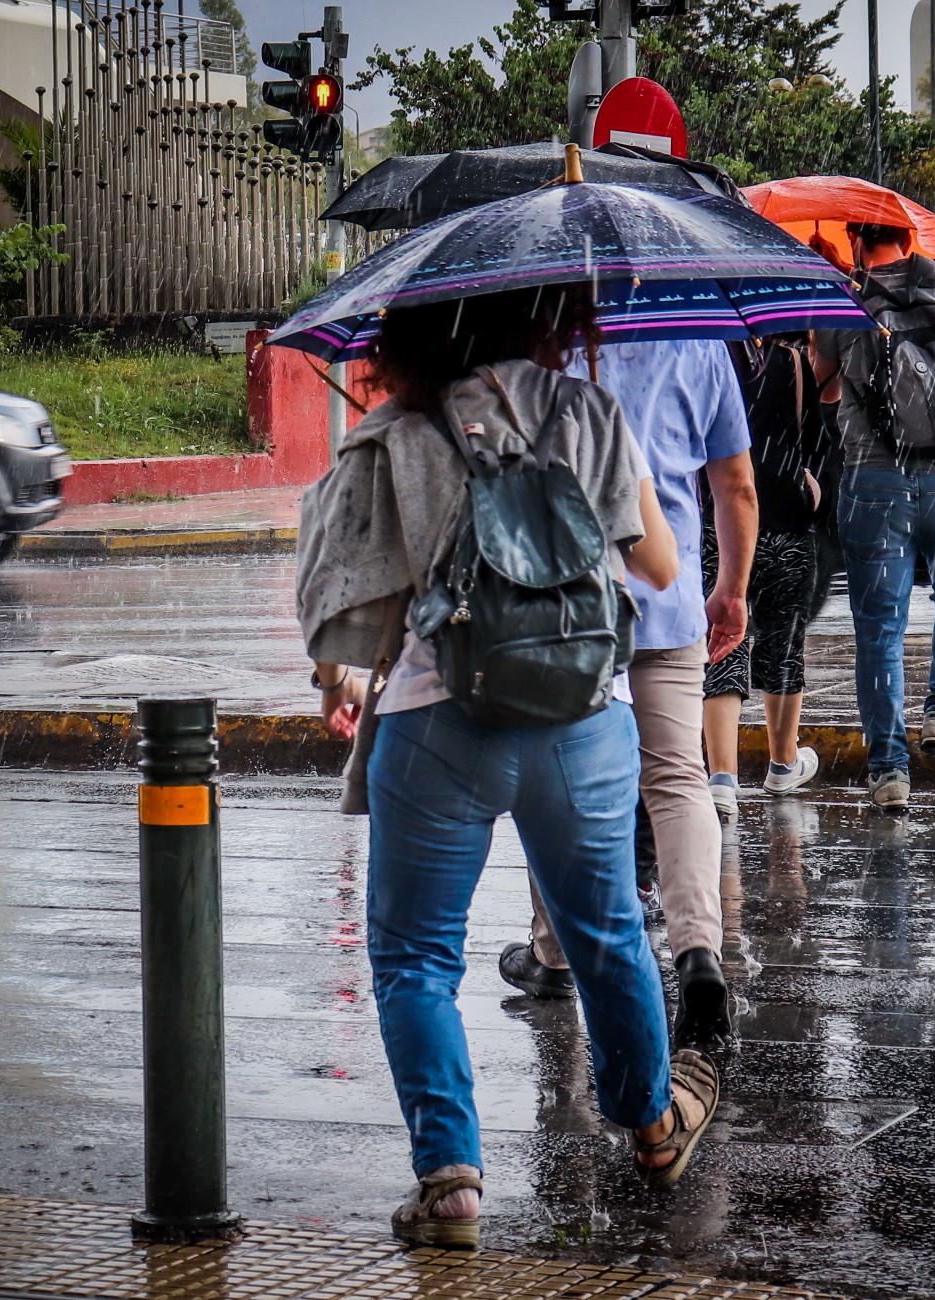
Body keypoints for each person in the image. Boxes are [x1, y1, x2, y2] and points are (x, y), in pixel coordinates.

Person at [295, 284, 720, 1250]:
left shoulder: (390, 436)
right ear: (541, 315)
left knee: (414, 959)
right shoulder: (585, 408)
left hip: (435, 724)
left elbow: (344, 607)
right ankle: (652, 1123)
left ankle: (449, 1181)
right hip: (581, 720)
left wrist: (336, 681)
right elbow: (656, 568)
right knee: (608, 929)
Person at [499, 336, 759, 1056]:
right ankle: (698, 955)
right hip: (668, 592)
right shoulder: (698, 344)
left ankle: (554, 955)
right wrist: (731, 589)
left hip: (569, 601)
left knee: (562, 777)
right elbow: (733, 482)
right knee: (677, 778)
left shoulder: (547, 339)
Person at [812, 222, 935, 812]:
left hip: (875, 481)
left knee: (880, 628)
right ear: (908, 236)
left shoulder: (839, 298)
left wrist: (827, 280)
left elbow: (822, 383)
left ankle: (889, 772)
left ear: (856, 238)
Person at [700, 335, 833, 817]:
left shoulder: (707, 357)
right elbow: (815, 441)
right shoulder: (792, 362)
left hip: (722, 521)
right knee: (784, 641)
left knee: (722, 643)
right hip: (785, 518)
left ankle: (722, 776)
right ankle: (782, 763)